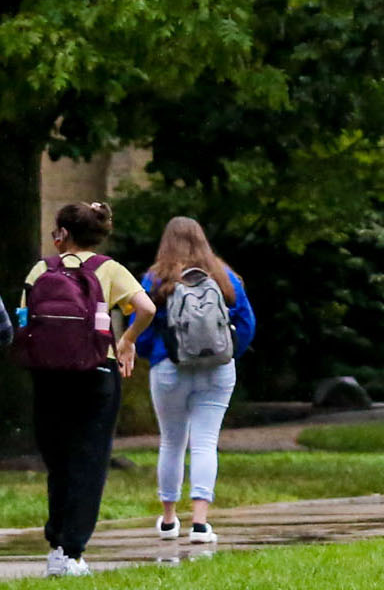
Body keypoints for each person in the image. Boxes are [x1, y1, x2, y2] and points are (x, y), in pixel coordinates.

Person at [18, 202, 156, 578]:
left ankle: (56, 547)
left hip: (48, 375)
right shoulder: (107, 269)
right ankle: (73, 551)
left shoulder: (41, 269)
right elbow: (146, 307)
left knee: (59, 461)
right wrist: (126, 340)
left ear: (62, 234)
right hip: (96, 371)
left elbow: (24, 318)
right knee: (89, 460)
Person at [138, 217, 256, 546]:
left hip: (169, 368)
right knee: (205, 443)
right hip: (218, 370)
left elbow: (141, 322)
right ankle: (201, 523)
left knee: (172, 442)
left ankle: (168, 519)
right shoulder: (225, 276)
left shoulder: (155, 277)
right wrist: (228, 352)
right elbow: (246, 322)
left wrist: (154, 354)